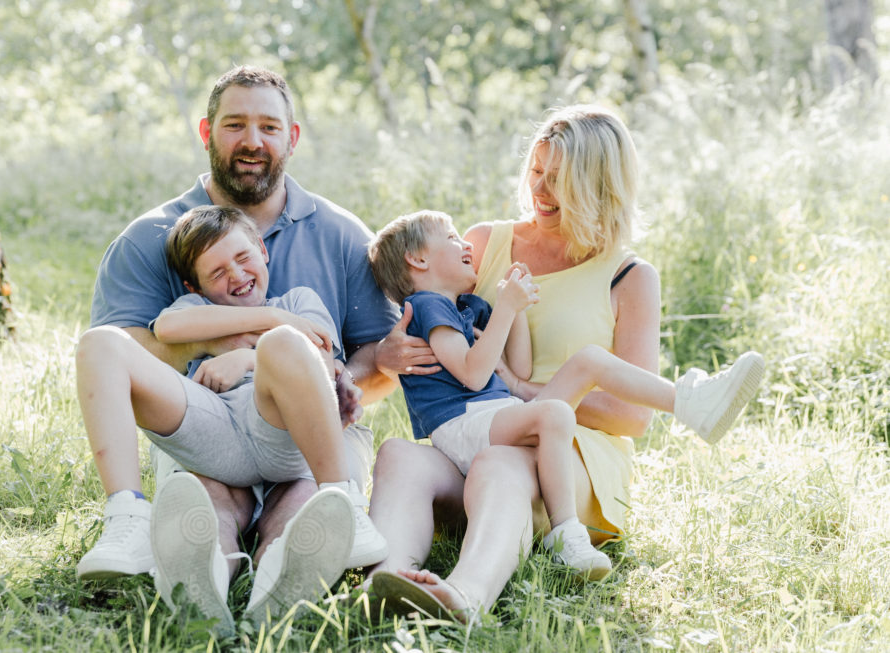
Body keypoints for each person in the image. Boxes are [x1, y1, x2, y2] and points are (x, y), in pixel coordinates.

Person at [367, 105, 761, 620]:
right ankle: (386, 583)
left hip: (571, 455)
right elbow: (431, 314)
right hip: (483, 426)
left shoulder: (630, 276)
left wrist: (528, 394)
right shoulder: (486, 243)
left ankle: (465, 596)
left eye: (560, 180)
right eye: (537, 172)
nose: (541, 191)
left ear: (598, 184)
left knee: (501, 462)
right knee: (399, 453)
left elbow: (631, 416)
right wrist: (385, 353)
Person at [81, 65, 432, 631]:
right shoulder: (154, 236)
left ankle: (278, 594)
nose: (252, 141)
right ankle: (199, 595)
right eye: (235, 125)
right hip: (208, 423)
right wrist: (223, 342)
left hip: (307, 434)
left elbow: (378, 361)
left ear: (291, 138)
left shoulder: (342, 234)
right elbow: (127, 351)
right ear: (206, 132)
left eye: (269, 127)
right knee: (206, 506)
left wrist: (321, 373)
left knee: (301, 514)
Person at [76, 205, 390, 627]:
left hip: (283, 437)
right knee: (100, 343)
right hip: (216, 435)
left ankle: (288, 569)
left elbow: (319, 360)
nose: (237, 276)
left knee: (285, 346)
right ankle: (139, 527)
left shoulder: (299, 301)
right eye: (217, 273)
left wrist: (245, 355)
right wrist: (270, 317)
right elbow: (167, 329)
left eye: (242, 259)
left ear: (262, 250)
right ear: (195, 286)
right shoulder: (200, 308)